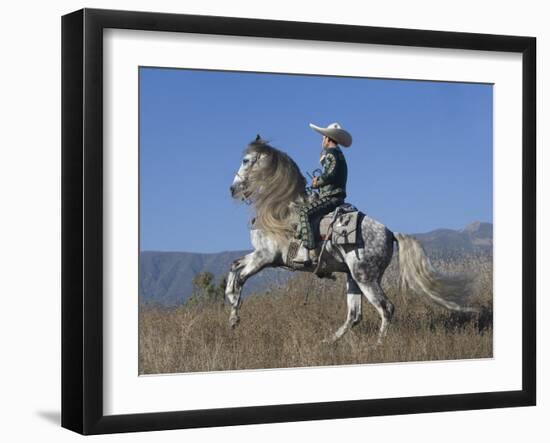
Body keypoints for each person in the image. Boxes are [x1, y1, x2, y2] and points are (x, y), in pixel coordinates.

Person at [293, 122, 352, 265]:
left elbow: (330, 175)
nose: (322, 141)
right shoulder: (340, 155)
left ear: (327, 138)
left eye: (322, 138)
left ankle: (307, 252)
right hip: (338, 196)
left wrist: (317, 182)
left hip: (331, 197)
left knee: (304, 212)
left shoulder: (331, 153)